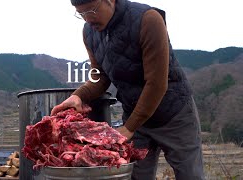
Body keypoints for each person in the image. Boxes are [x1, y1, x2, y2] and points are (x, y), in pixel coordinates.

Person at [51, 0, 205, 179]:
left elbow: (156, 83)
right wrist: (78, 96)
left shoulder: (148, 19)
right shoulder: (89, 32)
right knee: (135, 176)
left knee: (190, 174)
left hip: (173, 114)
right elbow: (99, 76)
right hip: (135, 115)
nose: (87, 19)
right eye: (81, 14)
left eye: (91, 10)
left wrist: (129, 127)